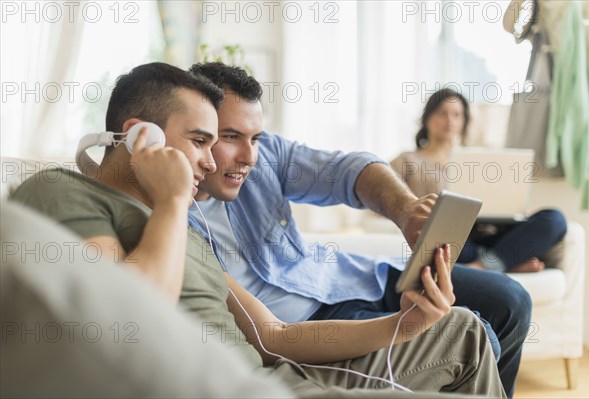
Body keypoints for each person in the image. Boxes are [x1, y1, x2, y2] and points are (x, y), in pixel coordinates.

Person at [10, 62, 505, 398]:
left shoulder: (182, 228)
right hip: (237, 385)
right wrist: (173, 199)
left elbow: (274, 334)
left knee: (461, 330)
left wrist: (407, 326)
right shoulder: (66, 192)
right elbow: (127, 320)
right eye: (203, 141)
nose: (208, 160)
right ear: (144, 137)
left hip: (281, 370)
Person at [187, 62, 529, 398]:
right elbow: (271, 337)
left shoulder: (265, 155)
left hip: (344, 280)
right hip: (312, 326)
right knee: (477, 335)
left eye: (255, 138)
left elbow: (347, 169)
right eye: (231, 136)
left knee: (511, 301)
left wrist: (407, 210)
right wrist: (404, 324)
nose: (250, 156)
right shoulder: (178, 225)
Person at [389, 88, 567, 273]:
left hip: (485, 231)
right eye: (443, 113)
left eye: (457, 115)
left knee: (555, 219)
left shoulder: (477, 159)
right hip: (450, 237)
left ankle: (483, 265)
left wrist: (512, 209)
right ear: (427, 118)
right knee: (444, 240)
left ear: (464, 121)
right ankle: (502, 261)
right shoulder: (407, 160)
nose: (450, 120)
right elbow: (384, 199)